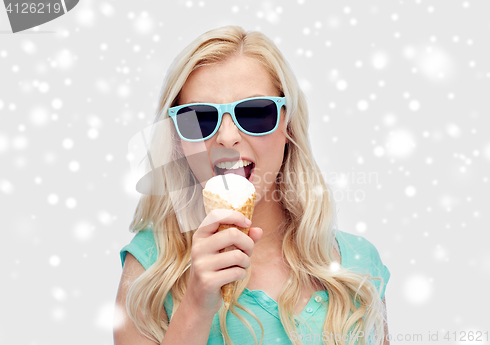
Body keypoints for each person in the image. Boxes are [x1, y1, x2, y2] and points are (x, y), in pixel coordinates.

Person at [114, 25, 391, 345]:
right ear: (178, 139)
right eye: (201, 118)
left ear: (288, 125)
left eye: (255, 113)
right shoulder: (148, 267)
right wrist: (195, 304)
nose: (227, 137)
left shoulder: (358, 265)